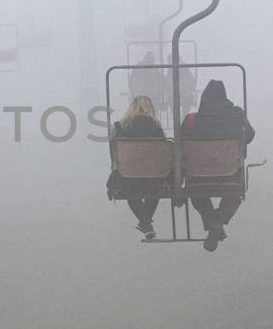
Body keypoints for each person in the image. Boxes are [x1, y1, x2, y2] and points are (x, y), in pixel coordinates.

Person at [179, 79, 255, 252]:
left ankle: (213, 220)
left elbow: (180, 144)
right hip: (229, 174)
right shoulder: (236, 115)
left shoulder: (191, 120)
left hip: (198, 175)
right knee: (235, 193)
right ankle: (218, 220)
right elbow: (249, 136)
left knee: (196, 193)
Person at [107, 95, 167, 240]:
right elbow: (163, 152)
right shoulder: (156, 128)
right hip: (152, 176)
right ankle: (145, 224)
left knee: (131, 193)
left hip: (128, 176)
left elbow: (114, 153)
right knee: (155, 190)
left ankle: (146, 224)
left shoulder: (119, 127)